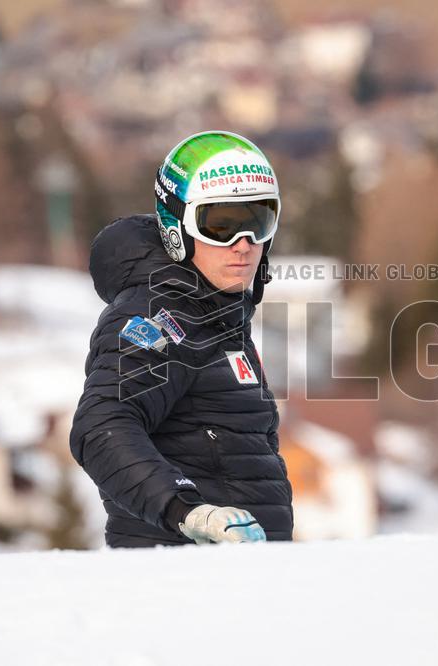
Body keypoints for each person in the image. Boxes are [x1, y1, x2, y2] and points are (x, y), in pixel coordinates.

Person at [69, 130, 294, 548]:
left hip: (234, 579)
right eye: (220, 224)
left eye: (258, 221)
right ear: (177, 228)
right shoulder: (161, 318)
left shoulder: (217, 316)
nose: (242, 244)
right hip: (179, 577)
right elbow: (101, 424)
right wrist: (187, 512)